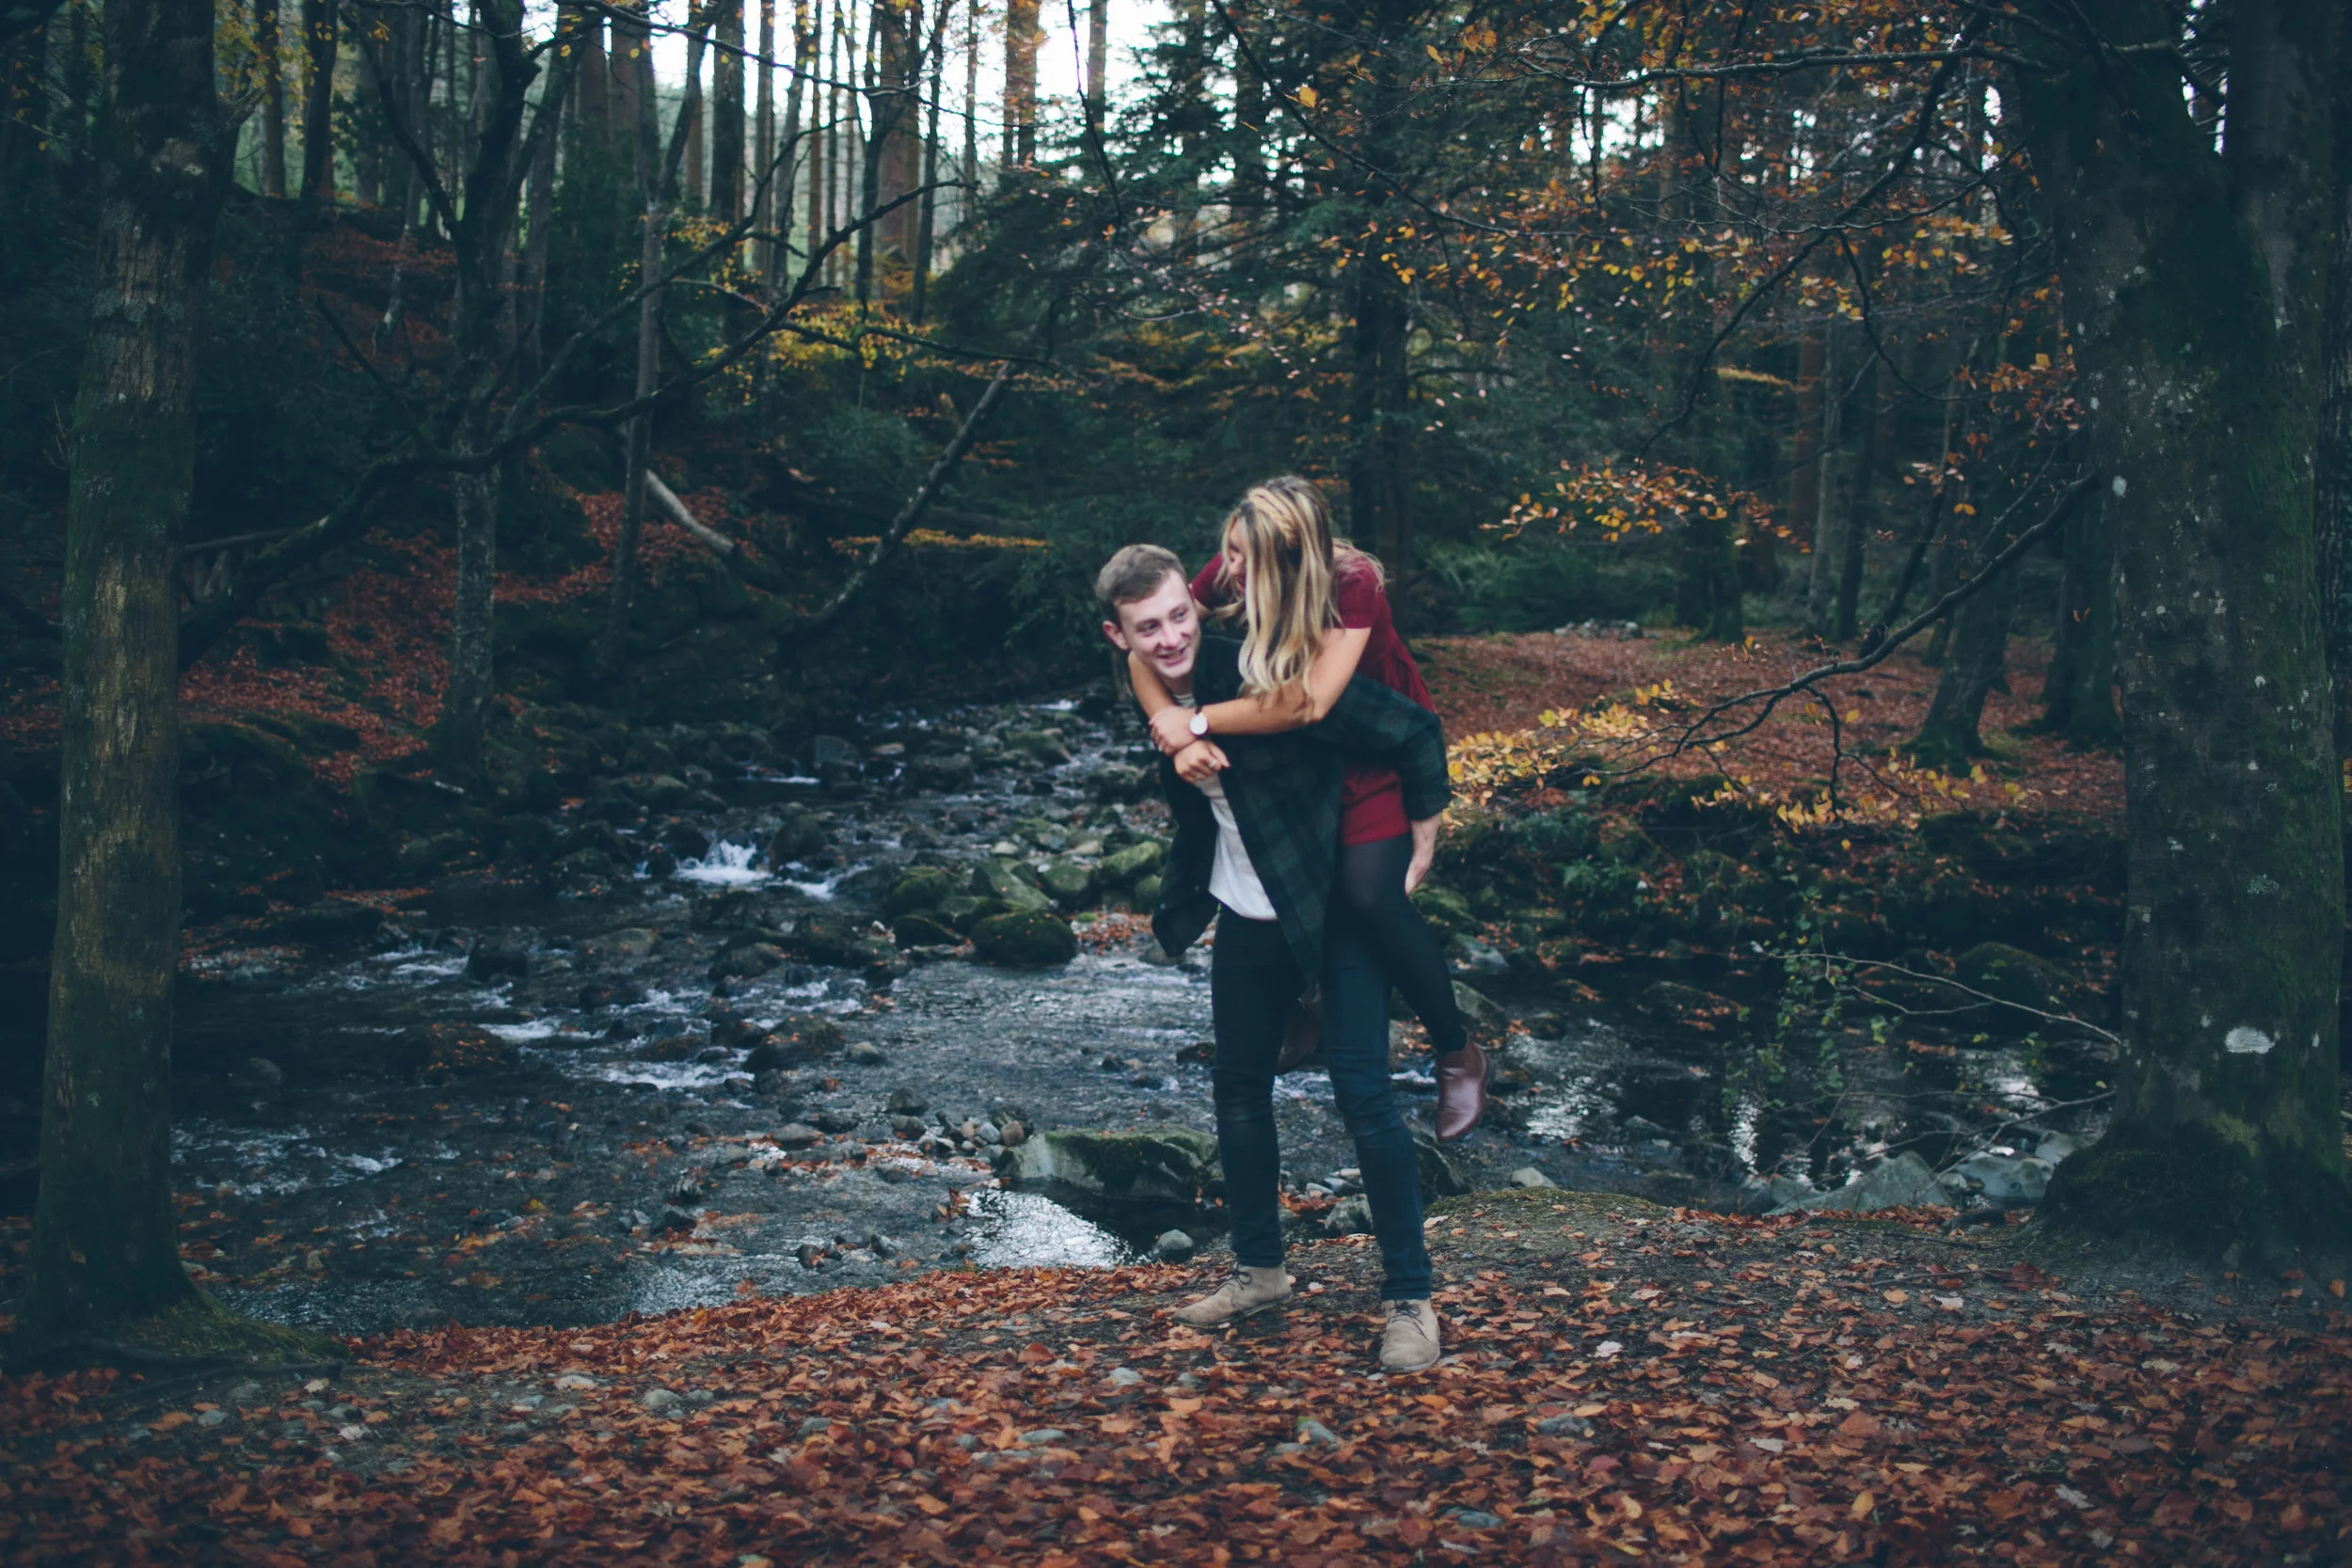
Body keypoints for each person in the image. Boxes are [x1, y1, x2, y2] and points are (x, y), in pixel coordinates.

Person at [1096, 544, 1452, 1372]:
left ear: (1198, 602)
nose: (1172, 635)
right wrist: (1171, 735)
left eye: (1182, 614)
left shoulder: (1266, 680)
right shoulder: (1154, 682)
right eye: (1150, 627)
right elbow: (1170, 717)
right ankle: (1260, 1271)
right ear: (1122, 639)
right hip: (1247, 910)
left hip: (1333, 907)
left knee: (1364, 1094)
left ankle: (1411, 1298)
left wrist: (1424, 830)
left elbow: (1410, 726)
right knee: (1238, 1086)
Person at [1125, 476, 1486, 1143]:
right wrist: (1165, 723)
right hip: (1300, 753)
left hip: (1372, 745)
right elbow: (1143, 645)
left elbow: (1310, 702)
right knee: (1280, 873)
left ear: (1292, 561)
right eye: (1228, 552)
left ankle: (1456, 1049)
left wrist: (1195, 721)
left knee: (1370, 895)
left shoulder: (1352, 586)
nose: (1229, 571)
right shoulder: (1236, 561)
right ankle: (1309, 996)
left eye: (1245, 560)